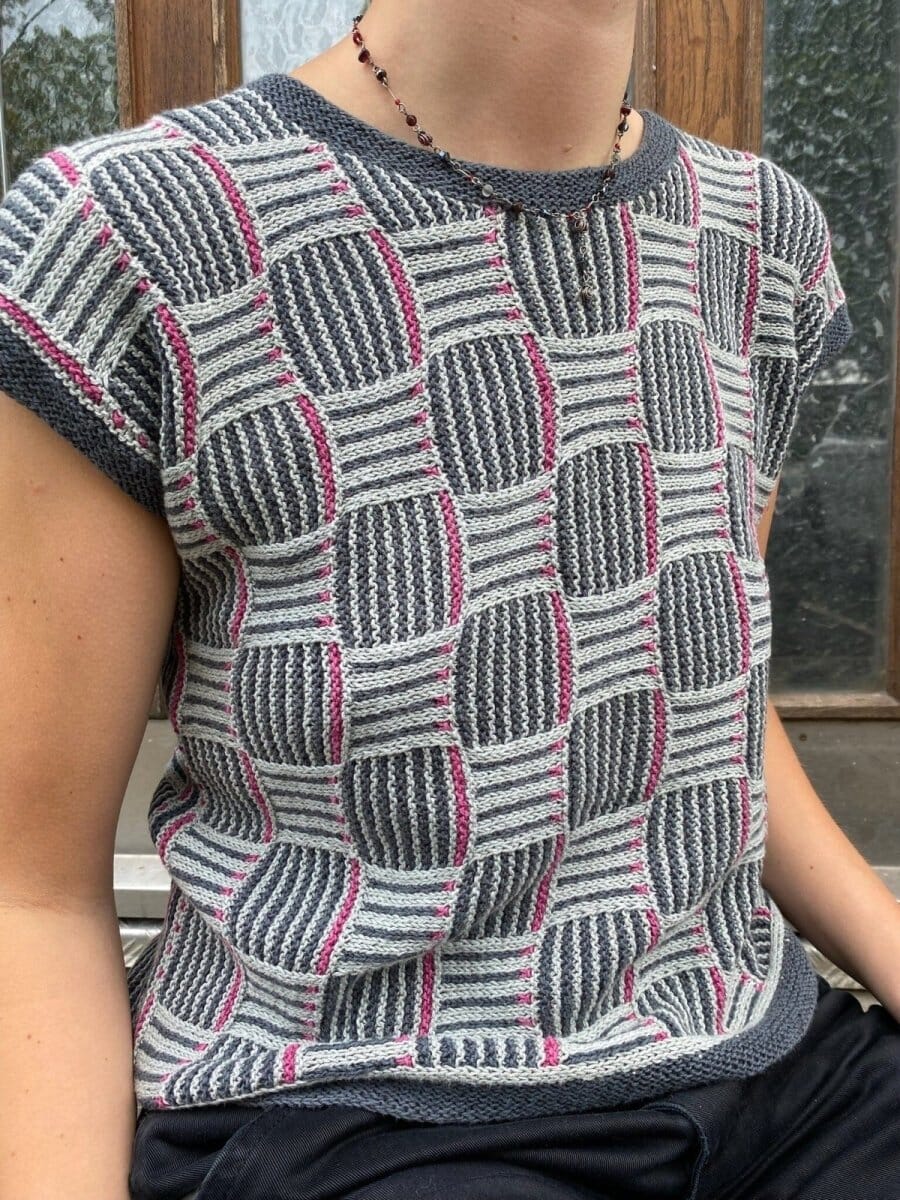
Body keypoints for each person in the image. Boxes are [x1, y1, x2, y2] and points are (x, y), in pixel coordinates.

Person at [0, 1, 897, 1197]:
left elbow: (699, 698)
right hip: (359, 1105)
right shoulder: (136, 233)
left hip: (773, 1060)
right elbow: (31, 887)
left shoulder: (761, 236)